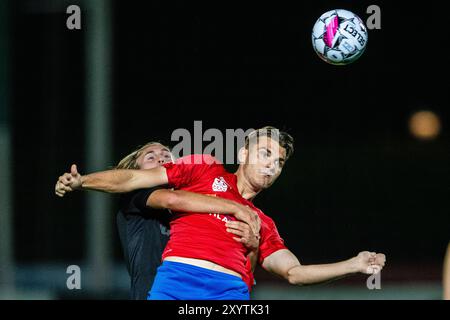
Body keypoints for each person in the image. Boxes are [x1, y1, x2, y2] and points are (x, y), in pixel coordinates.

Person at [56, 126, 386, 300]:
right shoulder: (202, 169)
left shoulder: (263, 223)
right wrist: (82, 180)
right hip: (177, 283)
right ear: (243, 152)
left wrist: (354, 264)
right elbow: (132, 178)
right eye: (265, 152)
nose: (272, 163)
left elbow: (295, 273)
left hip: (229, 293)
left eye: (280, 161)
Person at [57, 141, 260, 300]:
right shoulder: (137, 196)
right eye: (150, 157)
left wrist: (253, 246)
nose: (161, 159)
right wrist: (82, 181)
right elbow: (171, 198)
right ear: (135, 169)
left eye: (166, 155)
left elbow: (242, 272)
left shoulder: (200, 210)